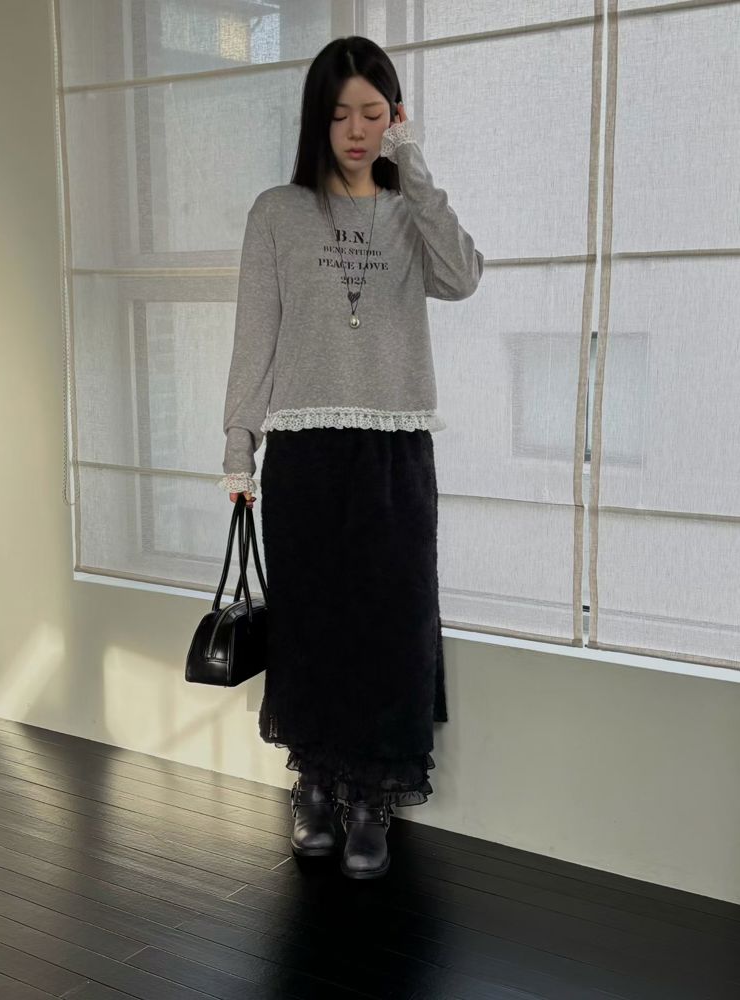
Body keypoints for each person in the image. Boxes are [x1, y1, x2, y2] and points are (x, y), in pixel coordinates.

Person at [217, 36, 484, 879]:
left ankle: (372, 798)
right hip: (305, 453)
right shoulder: (276, 213)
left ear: (394, 118)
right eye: (342, 116)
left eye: (375, 114)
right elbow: (254, 339)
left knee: (393, 626)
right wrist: (239, 448)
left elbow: (463, 277)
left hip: (397, 452)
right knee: (314, 625)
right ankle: (316, 787)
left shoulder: (410, 212)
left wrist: (416, 163)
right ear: (318, 121)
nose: (358, 131)